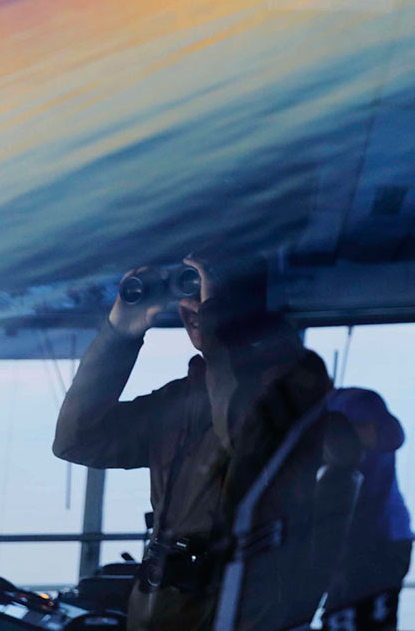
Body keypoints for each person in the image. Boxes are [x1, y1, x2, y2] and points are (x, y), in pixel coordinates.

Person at [52, 252, 335, 631]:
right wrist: (121, 335)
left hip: (237, 608)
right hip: (161, 604)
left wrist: (219, 330)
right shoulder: (187, 396)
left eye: (207, 292)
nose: (196, 310)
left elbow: (242, 433)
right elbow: (78, 440)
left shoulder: (298, 384)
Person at [322, 387, 413, 630]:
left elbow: (394, 436)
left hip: (382, 541)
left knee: (364, 618)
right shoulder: (331, 413)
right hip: (367, 542)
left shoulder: (354, 405)